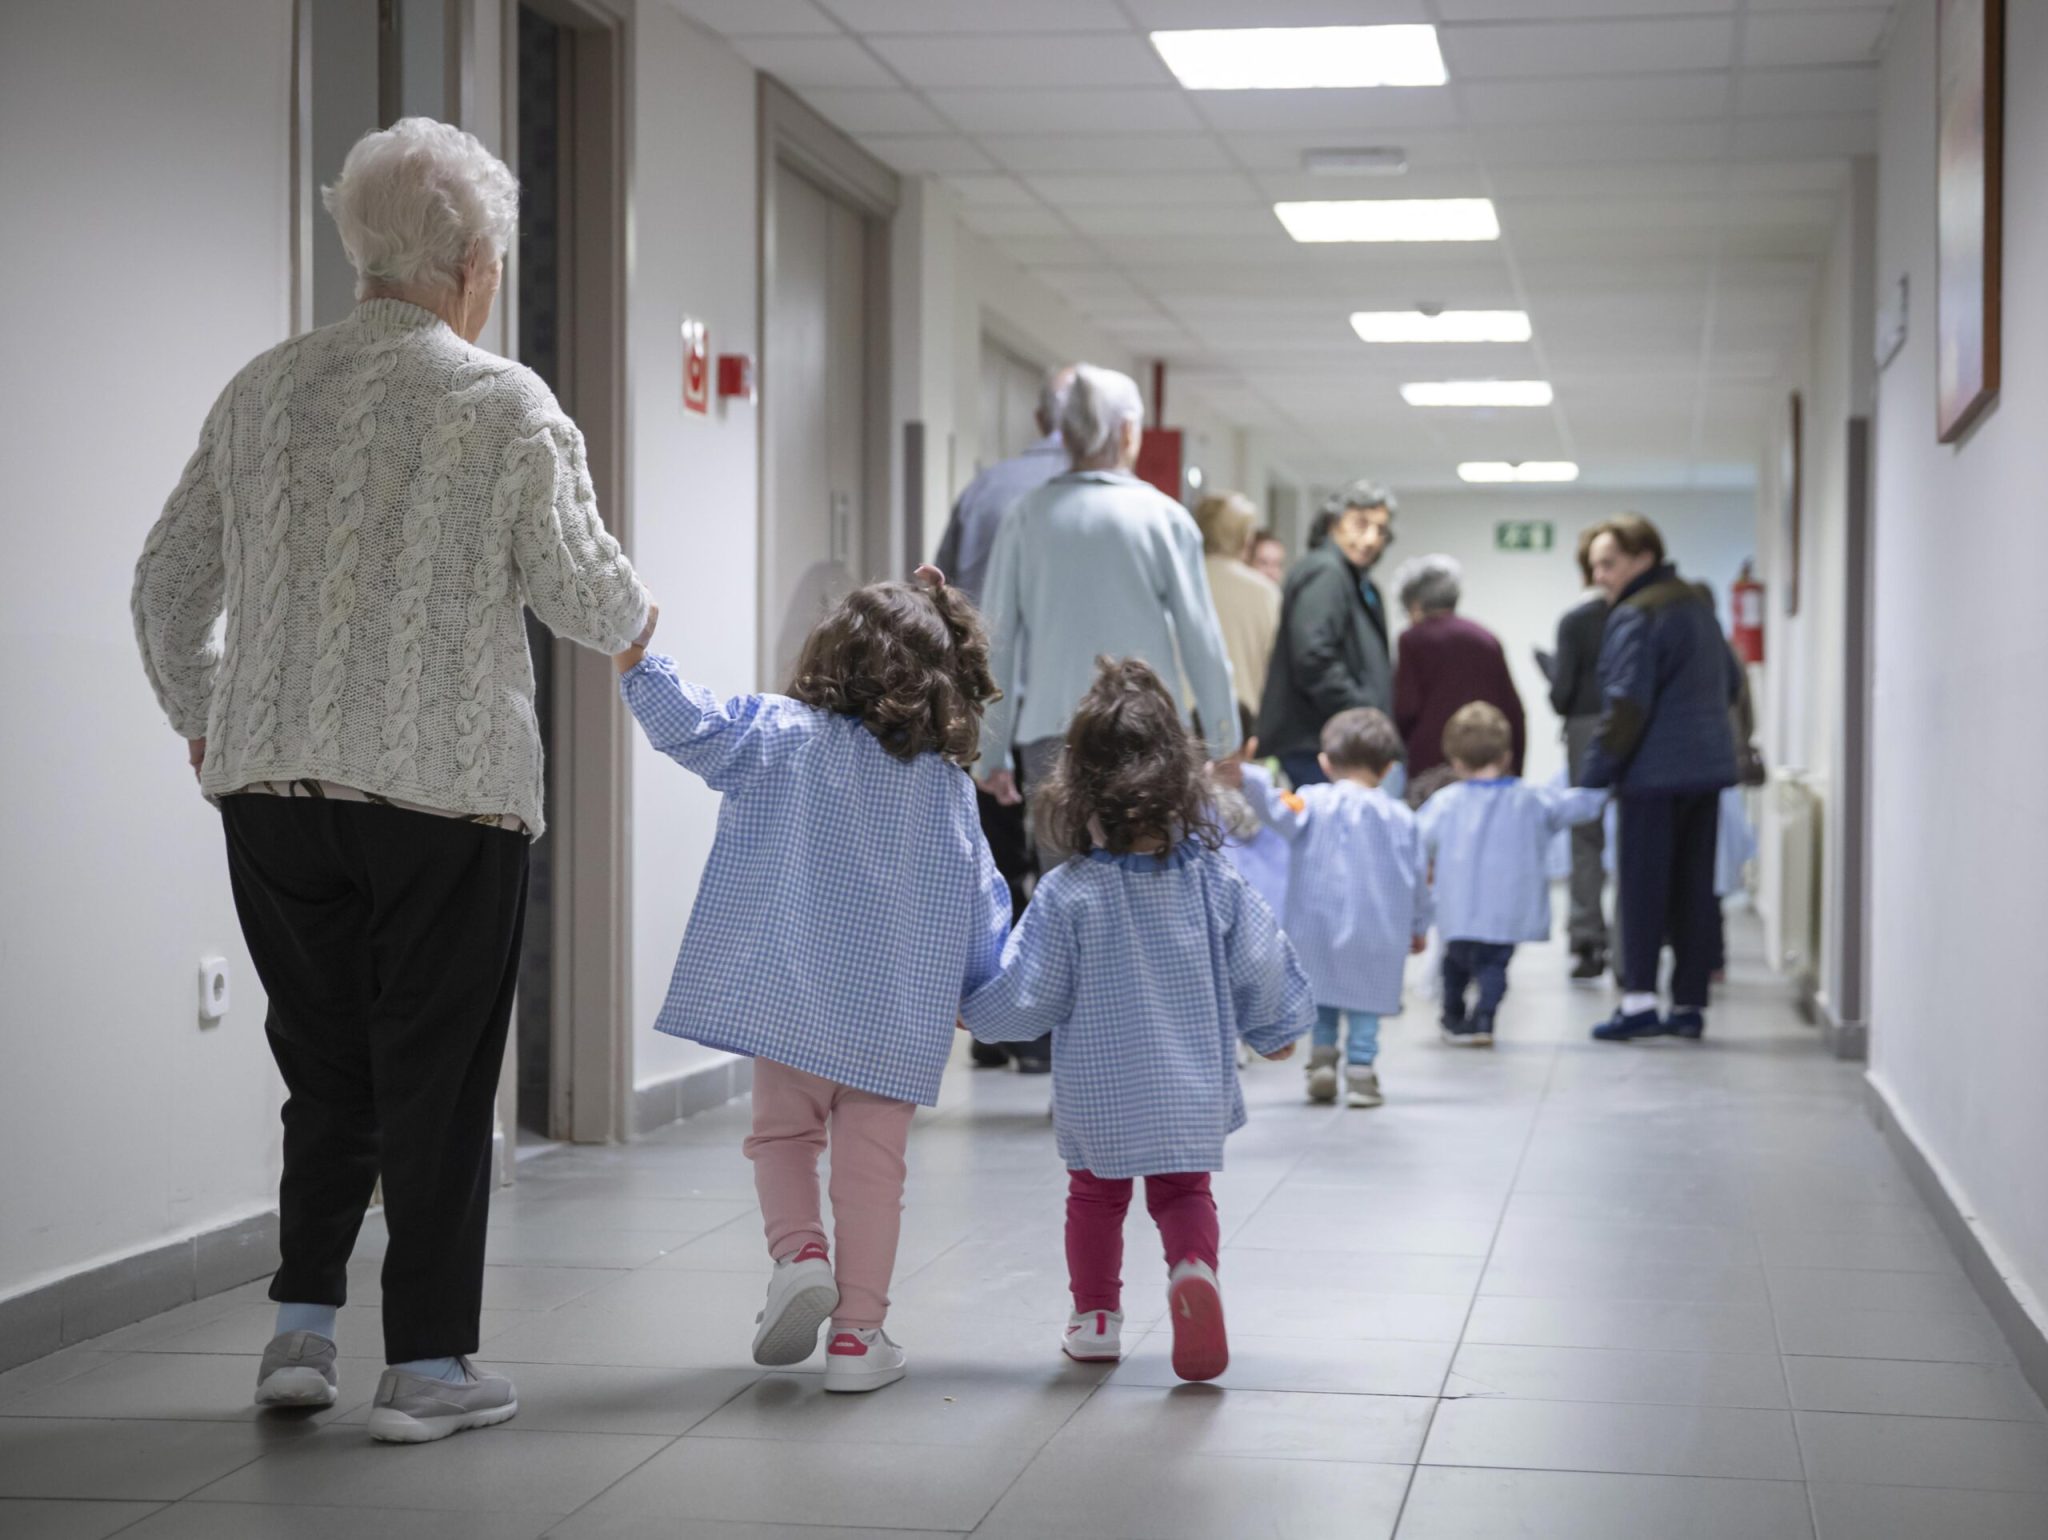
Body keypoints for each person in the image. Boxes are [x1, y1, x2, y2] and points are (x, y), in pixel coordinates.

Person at [130, 119, 650, 1442]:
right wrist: (647, 623)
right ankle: (425, 1365)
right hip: (444, 796)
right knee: (436, 1078)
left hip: (274, 800)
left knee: (324, 1065)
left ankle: (301, 1332)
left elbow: (166, 589)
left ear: (358, 246)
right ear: (474, 262)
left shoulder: (262, 392)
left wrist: (210, 716)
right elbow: (593, 601)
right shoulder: (501, 403)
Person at [614, 570, 1010, 1394]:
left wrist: (638, 658)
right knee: (874, 1170)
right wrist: (977, 989)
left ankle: (799, 1256)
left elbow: (695, 727)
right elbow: (981, 900)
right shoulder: (947, 789)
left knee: (785, 1138)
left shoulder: (781, 733)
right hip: (895, 1017)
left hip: (791, 998)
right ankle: (860, 1338)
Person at [963, 659, 1313, 1382]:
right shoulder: (1214, 879)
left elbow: (1031, 991)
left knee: (1095, 1194)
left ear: (1077, 789)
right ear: (1181, 781)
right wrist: (1274, 1031)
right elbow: (1260, 959)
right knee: (1184, 1193)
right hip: (1190, 1085)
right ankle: (1193, 1272)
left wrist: (976, 1010)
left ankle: (1095, 1318)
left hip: (1100, 1088)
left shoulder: (1070, 893)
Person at [976, 365, 1240, 1069]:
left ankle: (1083, 1059)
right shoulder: (1162, 516)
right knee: (1157, 892)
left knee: (1068, 902)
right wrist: (1221, 738)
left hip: (1051, 742)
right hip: (1147, 739)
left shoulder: (1029, 516)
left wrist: (989, 754)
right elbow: (1200, 637)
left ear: (1061, 432)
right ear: (1129, 432)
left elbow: (998, 636)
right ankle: (1151, 1053)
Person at [932, 365, 1076, 1067]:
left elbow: (939, 592)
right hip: (1062, 707)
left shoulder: (986, 487)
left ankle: (990, 1025)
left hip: (981, 700)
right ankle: (1042, 1031)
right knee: (1061, 865)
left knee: (989, 860)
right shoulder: (1099, 499)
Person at [1576, 516, 1743, 1043]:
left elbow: (1627, 701)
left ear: (1643, 557)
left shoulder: (1637, 614)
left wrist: (1593, 776)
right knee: (1696, 888)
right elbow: (1733, 683)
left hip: (1652, 774)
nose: (1599, 575)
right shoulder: (1699, 607)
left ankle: (1640, 1001)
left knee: (1644, 888)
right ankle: (1690, 1005)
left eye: (1609, 562)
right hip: (1707, 770)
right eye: (1595, 564)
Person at [1223, 709, 1429, 1109]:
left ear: (1325, 762)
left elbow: (1275, 809)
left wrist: (1249, 778)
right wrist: (1419, 924)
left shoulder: (1311, 803)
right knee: (1365, 1000)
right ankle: (1361, 1072)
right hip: (1378, 932)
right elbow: (1419, 879)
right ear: (1389, 768)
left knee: (1323, 994)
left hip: (1315, 926)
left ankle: (1320, 1061)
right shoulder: (1402, 818)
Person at [1418, 705, 1607, 1046]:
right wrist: (1605, 779)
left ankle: (1453, 1016)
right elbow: (1578, 806)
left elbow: (1414, 840)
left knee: (1455, 965)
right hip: (1507, 914)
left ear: (1456, 762)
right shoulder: (1531, 799)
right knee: (1494, 968)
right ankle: (1485, 1019)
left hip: (1458, 912)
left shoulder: (1445, 802)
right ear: (1507, 756)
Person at [1256, 481, 1397, 789]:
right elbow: (1313, 656)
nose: (1371, 539)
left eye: (1381, 530)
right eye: (1360, 524)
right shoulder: (1327, 572)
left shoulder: (1351, 578)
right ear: (1334, 523)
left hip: (1332, 743)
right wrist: (1362, 712)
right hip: (1321, 745)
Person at [932, 366, 1076, 605]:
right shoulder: (1112, 500)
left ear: (1039, 420)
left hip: (981, 639)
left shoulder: (982, 487)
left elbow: (940, 588)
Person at [1390, 553, 1526, 798]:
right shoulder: (1486, 638)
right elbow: (1513, 709)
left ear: (1415, 604)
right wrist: (1513, 767)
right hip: (1489, 764)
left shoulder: (1412, 639)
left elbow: (1406, 709)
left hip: (1431, 767)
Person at [1549, 528, 1614, 979]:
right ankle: (1635, 947)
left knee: (1585, 836)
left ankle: (1587, 940)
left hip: (1586, 728)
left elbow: (1561, 694)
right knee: (1636, 836)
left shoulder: (1575, 623)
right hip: (1640, 730)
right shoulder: (1640, 616)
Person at [1193, 491, 1283, 723]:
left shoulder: (1181, 581)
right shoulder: (1264, 593)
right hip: (1243, 719)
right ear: (1245, 539)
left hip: (1182, 721)